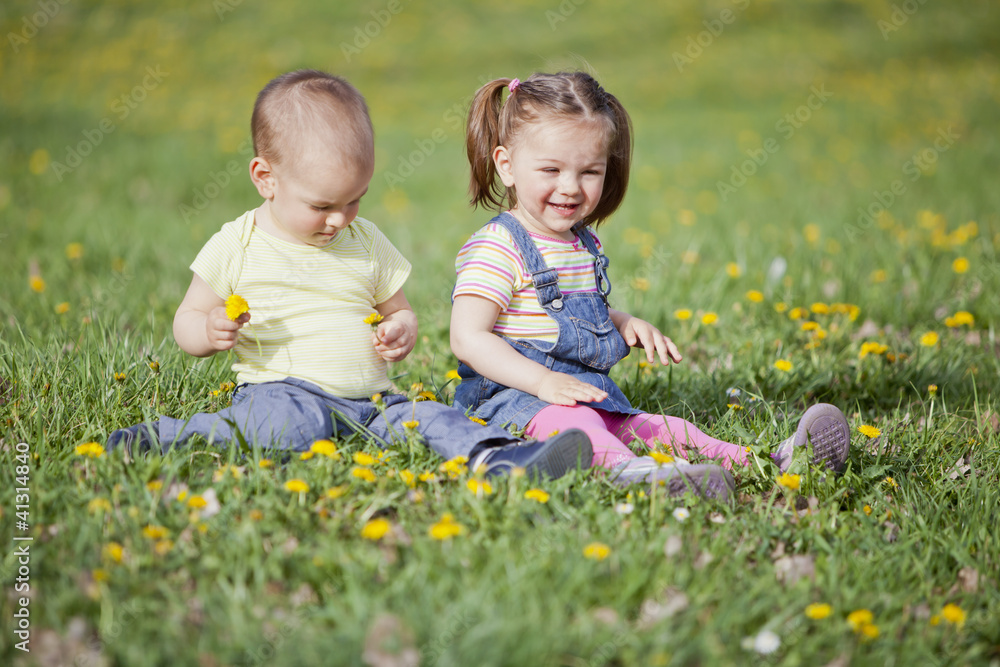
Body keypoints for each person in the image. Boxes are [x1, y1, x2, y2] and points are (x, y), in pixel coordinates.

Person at [107, 69, 593, 479]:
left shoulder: (365, 239)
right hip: (285, 391)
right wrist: (207, 330)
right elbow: (187, 319)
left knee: (429, 417)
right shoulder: (238, 244)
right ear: (265, 178)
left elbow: (399, 311)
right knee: (287, 427)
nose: (340, 218)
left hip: (375, 397)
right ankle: (163, 438)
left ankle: (499, 458)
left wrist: (400, 330)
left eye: (354, 199)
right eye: (321, 205)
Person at [449, 72, 851, 500]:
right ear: (506, 165)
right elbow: (468, 337)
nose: (570, 187)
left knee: (666, 427)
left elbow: (562, 314)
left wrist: (621, 322)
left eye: (590, 171)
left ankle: (773, 460)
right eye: (551, 169)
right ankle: (635, 474)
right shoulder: (499, 245)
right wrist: (543, 382)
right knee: (581, 429)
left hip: (586, 395)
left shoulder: (581, 241)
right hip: (516, 402)